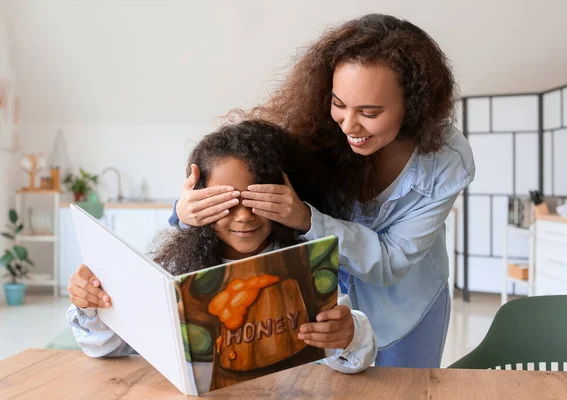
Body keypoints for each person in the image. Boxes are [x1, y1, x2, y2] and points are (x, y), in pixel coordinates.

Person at [170, 14, 475, 368]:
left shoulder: (447, 160)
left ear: (415, 106)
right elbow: (236, 180)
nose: (348, 125)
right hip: (324, 306)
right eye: (339, 104)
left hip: (406, 306)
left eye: (369, 112)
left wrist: (307, 218)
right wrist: (184, 211)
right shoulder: (311, 130)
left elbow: (392, 261)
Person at [66, 120, 376, 377]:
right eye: (225, 204)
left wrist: (349, 334)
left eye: (256, 201)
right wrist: (91, 303)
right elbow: (104, 348)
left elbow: (353, 357)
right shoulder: (171, 269)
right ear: (200, 204)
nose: (243, 216)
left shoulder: (304, 266)